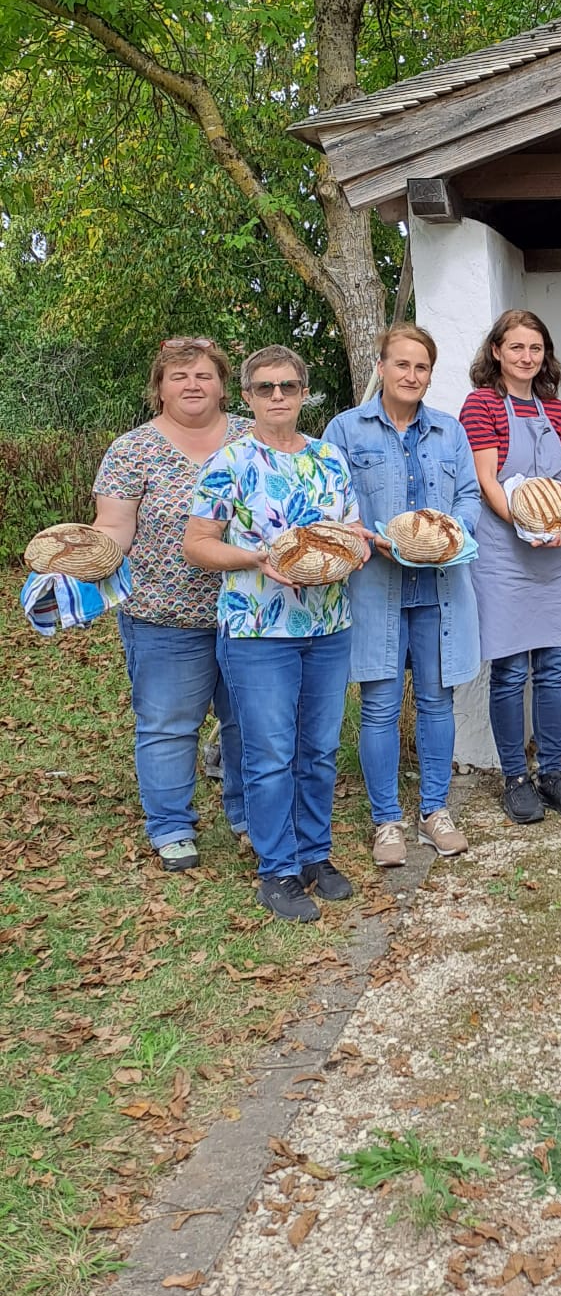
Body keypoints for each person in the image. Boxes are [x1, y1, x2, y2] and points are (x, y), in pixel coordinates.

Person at [184, 345, 368, 922]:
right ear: (248, 397)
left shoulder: (330, 458)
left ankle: (315, 854)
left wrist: (357, 549)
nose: (278, 397)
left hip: (328, 623)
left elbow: (353, 529)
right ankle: (278, 870)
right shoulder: (230, 462)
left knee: (319, 749)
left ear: (303, 392)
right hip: (259, 629)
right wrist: (252, 558)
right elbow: (196, 544)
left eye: (288, 386)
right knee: (269, 754)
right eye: (266, 388)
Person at [324, 327, 481, 868]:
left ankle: (435, 810)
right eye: (402, 365)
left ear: (430, 375)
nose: (411, 375)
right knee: (380, 707)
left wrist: (451, 535)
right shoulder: (346, 430)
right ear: (382, 366)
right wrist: (373, 539)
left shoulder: (449, 431)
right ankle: (386, 820)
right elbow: (335, 504)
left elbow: (467, 495)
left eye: (421, 367)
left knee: (438, 703)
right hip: (377, 589)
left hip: (439, 590)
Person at [92, 337, 249, 871]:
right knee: (167, 724)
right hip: (165, 615)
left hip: (252, 612)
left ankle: (250, 814)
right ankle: (172, 826)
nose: (193, 385)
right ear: (159, 387)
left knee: (249, 721)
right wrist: (79, 559)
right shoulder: (132, 450)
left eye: (204, 375)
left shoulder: (256, 439)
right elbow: (113, 528)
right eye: (179, 377)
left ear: (223, 385)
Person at [459, 310, 561, 826]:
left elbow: (559, 480)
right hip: (506, 549)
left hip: (555, 546)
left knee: (555, 667)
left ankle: (554, 773)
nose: (526, 357)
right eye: (516, 348)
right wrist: (527, 523)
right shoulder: (482, 404)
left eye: (535, 349)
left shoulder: (554, 410)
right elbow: (488, 480)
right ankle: (516, 777)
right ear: (496, 351)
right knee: (512, 670)